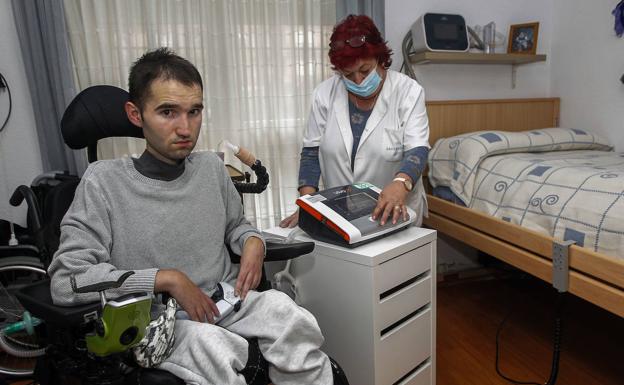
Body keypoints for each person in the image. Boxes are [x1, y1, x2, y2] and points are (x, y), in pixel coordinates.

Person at [48, 47, 333, 385]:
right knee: (214, 347)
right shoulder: (103, 182)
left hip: (226, 302)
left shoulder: (212, 168)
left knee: (291, 316)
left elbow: (235, 226)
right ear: (135, 114)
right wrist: (165, 279)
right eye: (168, 112)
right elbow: (67, 281)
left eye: (194, 111)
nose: (185, 128)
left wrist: (253, 241)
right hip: (163, 322)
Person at [280, 15, 430, 229]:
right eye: (348, 74)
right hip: (341, 214)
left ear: (380, 58)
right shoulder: (324, 94)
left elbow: (418, 150)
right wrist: (307, 204)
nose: (358, 81)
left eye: (365, 70)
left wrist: (400, 184)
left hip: (396, 211)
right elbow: (311, 154)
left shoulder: (408, 92)